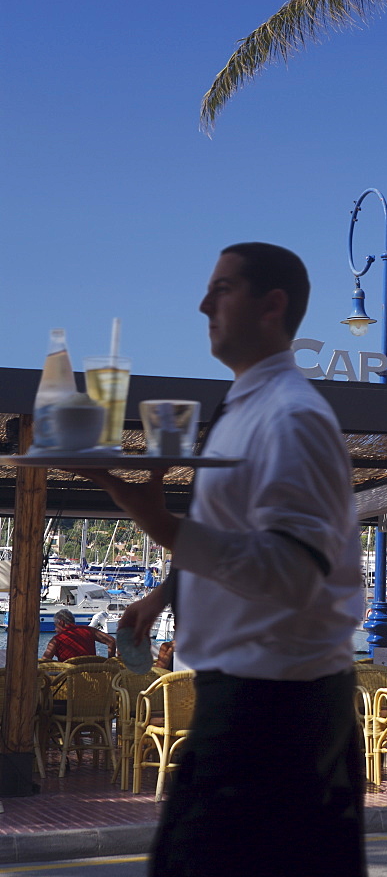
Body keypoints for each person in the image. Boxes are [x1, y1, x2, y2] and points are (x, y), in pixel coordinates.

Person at [79, 242, 365, 877]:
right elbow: (235, 539)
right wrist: (162, 595)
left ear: (272, 306)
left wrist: (156, 521)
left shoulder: (291, 417)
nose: (203, 303)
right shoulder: (241, 408)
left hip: (277, 715)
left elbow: (290, 570)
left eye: (223, 289)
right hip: (256, 705)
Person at [41, 609, 116, 661]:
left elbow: (45, 661)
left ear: (61, 623)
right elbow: (112, 641)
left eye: (55, 625)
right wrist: (110, 661)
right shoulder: (88, 630)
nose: (55, 629)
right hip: (93, 676)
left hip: (68, 678)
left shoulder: (57, 639)